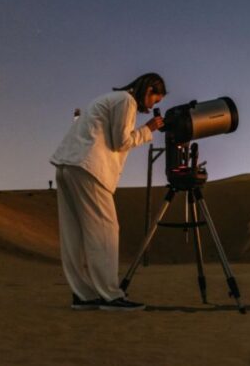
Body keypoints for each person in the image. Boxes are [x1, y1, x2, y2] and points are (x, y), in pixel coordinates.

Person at [50, 73, 166, 311]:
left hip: (67, 165)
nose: (154, 105)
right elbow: (121, 142)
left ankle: (83, 294)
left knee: (74, 233)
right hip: (89, 169)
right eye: (155, 98)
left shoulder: (110, 98)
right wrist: (148, 130)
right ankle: (110, 295)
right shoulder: (127, 101)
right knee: (105, 231)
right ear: (148, 89)